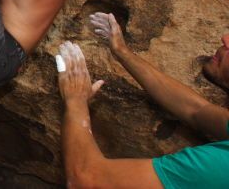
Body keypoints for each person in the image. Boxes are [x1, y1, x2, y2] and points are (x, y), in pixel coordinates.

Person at [57, 14, 229, 188]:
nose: (225, 39)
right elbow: (195, 110)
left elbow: (86, 180)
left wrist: (76, 102)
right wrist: (122, 51)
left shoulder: (220, 166)